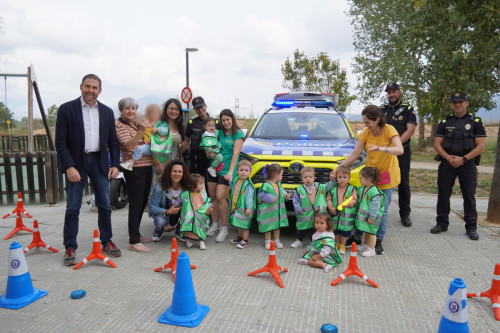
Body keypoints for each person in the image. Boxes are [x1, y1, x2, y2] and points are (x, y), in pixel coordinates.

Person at [55, 74, 121, 266]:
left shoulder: (107, 112)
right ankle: (69, 247)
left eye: (94, 88)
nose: (90, 90)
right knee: (73, 208)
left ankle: (107, 241)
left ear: (99, 91)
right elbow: (60, 141)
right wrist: (68, 166)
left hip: (99, 162)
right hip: (76, 163)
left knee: (105, 205)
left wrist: (115, 164)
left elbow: (113, 142)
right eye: (87, 86)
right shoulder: (67, 109)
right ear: (81, 87)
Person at [332, 105, 403, 255]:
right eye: (364, 122)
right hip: (370, 177)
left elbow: (400, 149)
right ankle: (359, 238)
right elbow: (354, 155)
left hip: (387, 175)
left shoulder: (389, 130)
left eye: (368, 122)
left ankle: (378, 240)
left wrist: (383, 149)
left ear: (377, 120)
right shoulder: (365, 133)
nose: (365, 126)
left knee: (380, 211)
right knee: (363, 206)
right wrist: (338, 169)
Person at [431, 92, 486, 240]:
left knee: (468, 195)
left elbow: (481, 146)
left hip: (467, 163)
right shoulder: (445, 121)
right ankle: (441, 224)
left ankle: (471, 227)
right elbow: (437, 144)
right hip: (447, 162)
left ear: (466, 103)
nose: (458, 105)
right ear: (451, 105)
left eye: (460, 102)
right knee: (443, 194)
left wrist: (463, 159)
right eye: (455, 102)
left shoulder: (476, 121)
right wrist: (449, 158)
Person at [115, 97, 154, 253]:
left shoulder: (137, 124)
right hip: (134, 169)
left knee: (143, 200)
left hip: (146, 166)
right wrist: (142, 132)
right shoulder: (120, 126)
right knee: (136, 202)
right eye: (127, 108)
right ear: (121, 111)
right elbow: (129, 145)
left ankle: (135, 235)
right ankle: (134, 241)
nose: (131, 111)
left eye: (133, 108)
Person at [205, 109, 245, 243]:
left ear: (232, 119)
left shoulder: (238, 134)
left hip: (227, 171)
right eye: (223, 120)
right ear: (220, 122)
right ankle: (215, 224)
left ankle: (224, 228)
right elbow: (210, 145)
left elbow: (236, 154)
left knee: (221, 197)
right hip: (213, 168)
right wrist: (208, 153)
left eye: (228, 119)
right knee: (213, 197)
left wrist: (231, 171)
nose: (226, 122)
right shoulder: (218, 133)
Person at [381, 83, 417, 227]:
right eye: (389, 92)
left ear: (399, 92)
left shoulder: (408, 110)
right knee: (381, 181)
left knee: (403, 182)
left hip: (402, 152)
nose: (391, 95)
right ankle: (379, 212)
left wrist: (397, 146)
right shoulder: (381, 110)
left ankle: (405, 214)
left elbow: (410, 130)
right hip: (384, 153)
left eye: (394, 92)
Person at [291, 167, 336, 248]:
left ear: (314, 178)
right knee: (301, 229)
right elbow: (296, 201)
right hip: (304, 214)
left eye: (310, 177)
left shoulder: (321, 187)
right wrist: (298, 209)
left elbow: (330, 185)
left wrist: (333, 180)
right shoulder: (299, 189)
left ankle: (314, 242)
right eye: (305, 177)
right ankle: (299, 241)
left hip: (318, 215)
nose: (308, 179)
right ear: (302, 179)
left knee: (315, 230)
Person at [119, 104, 171, 171]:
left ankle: (130, 163)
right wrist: (145, 139)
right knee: (140, 149)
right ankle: (130, 163)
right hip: (151, 147)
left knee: (140, 149)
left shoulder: (161, 124)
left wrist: (157, 129)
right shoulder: (147, 125)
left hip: (159, 147)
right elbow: (145, 136)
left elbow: (165, 130)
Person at [149, 159, 189, 242]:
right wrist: (167, 211)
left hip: (179, 213)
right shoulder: (160, 185)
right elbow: (152, 207)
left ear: (183, 173)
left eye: (180, 172)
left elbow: (199, 195)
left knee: (190, 213)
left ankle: (179, 232)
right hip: (164, 212)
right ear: (169, 172)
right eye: (174, 171)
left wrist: (207, 206)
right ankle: (158, 231)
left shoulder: (187, 185)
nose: (177, 174)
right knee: (161, 221)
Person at [257, 163, 290, 249]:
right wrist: (271, 198)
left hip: (276, 211)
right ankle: (267, 241)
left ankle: (276, 240)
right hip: (268, 212)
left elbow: (281, 190)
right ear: (276, 175)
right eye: (281, 174)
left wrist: (285, 194)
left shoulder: (278, 184)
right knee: (268, 226)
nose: (282, 176)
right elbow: (261, 195)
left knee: (277, 226)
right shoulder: (266, 185)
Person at [327, 164, 358, 255]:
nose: (342, 179)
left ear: (349, 177)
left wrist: (348, 204)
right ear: (336, 177)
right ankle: (336, 244)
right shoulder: (333, 188)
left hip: (346, 215)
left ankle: (342, 245)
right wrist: (331, 208)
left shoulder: (351, 188)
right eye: (340, 177)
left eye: (345, 177)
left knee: (344, 231)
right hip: (335, 214)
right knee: (335, 230)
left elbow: (354, 199)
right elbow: (328, 199)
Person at [355, 167, 386, 257]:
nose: (360, 180)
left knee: (372, 232)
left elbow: (374, 207)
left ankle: (372, 249)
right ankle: (366, 244)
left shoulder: (375, 192)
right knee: (367, 230)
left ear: (368, 179)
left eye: (361, 178)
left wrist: (372, 218)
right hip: (366, 217)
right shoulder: (362, 188)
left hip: (372, 217)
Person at [176, 173, 213, 250]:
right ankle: (188, 240)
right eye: (200, 184)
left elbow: (207, 202)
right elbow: (179, 201)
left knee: (200, 228)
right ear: (192, 186)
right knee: (188, 228)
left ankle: (201, 241)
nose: (202, 185)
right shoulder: (185, 194)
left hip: (200, 216)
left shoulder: (203, 194)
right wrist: (177, 205)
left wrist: (209, 207)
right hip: (188, 217)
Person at [183, 96, 217, 174]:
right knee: (195, 182)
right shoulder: (192, 123)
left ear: (206, 106)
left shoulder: (216, 122)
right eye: (197, 108)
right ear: (195, 110)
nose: (200, 110)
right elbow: (186, 141)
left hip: (211, 158)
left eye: (202, 107)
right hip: (195, 158)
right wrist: (182, 156)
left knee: (210, 183)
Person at [228, 160, 255, 249]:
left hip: (245, 208)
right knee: (238, 223)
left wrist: (249, 208)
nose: (243, 172)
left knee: (244, 225)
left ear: (250, 172)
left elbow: (249, 198)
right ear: (237, 171)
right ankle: (240, 238)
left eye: (246, 170)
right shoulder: (236, 180)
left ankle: (245, 241)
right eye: (241, 170)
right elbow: (233, 188)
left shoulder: (248, 185)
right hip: (236, 206)